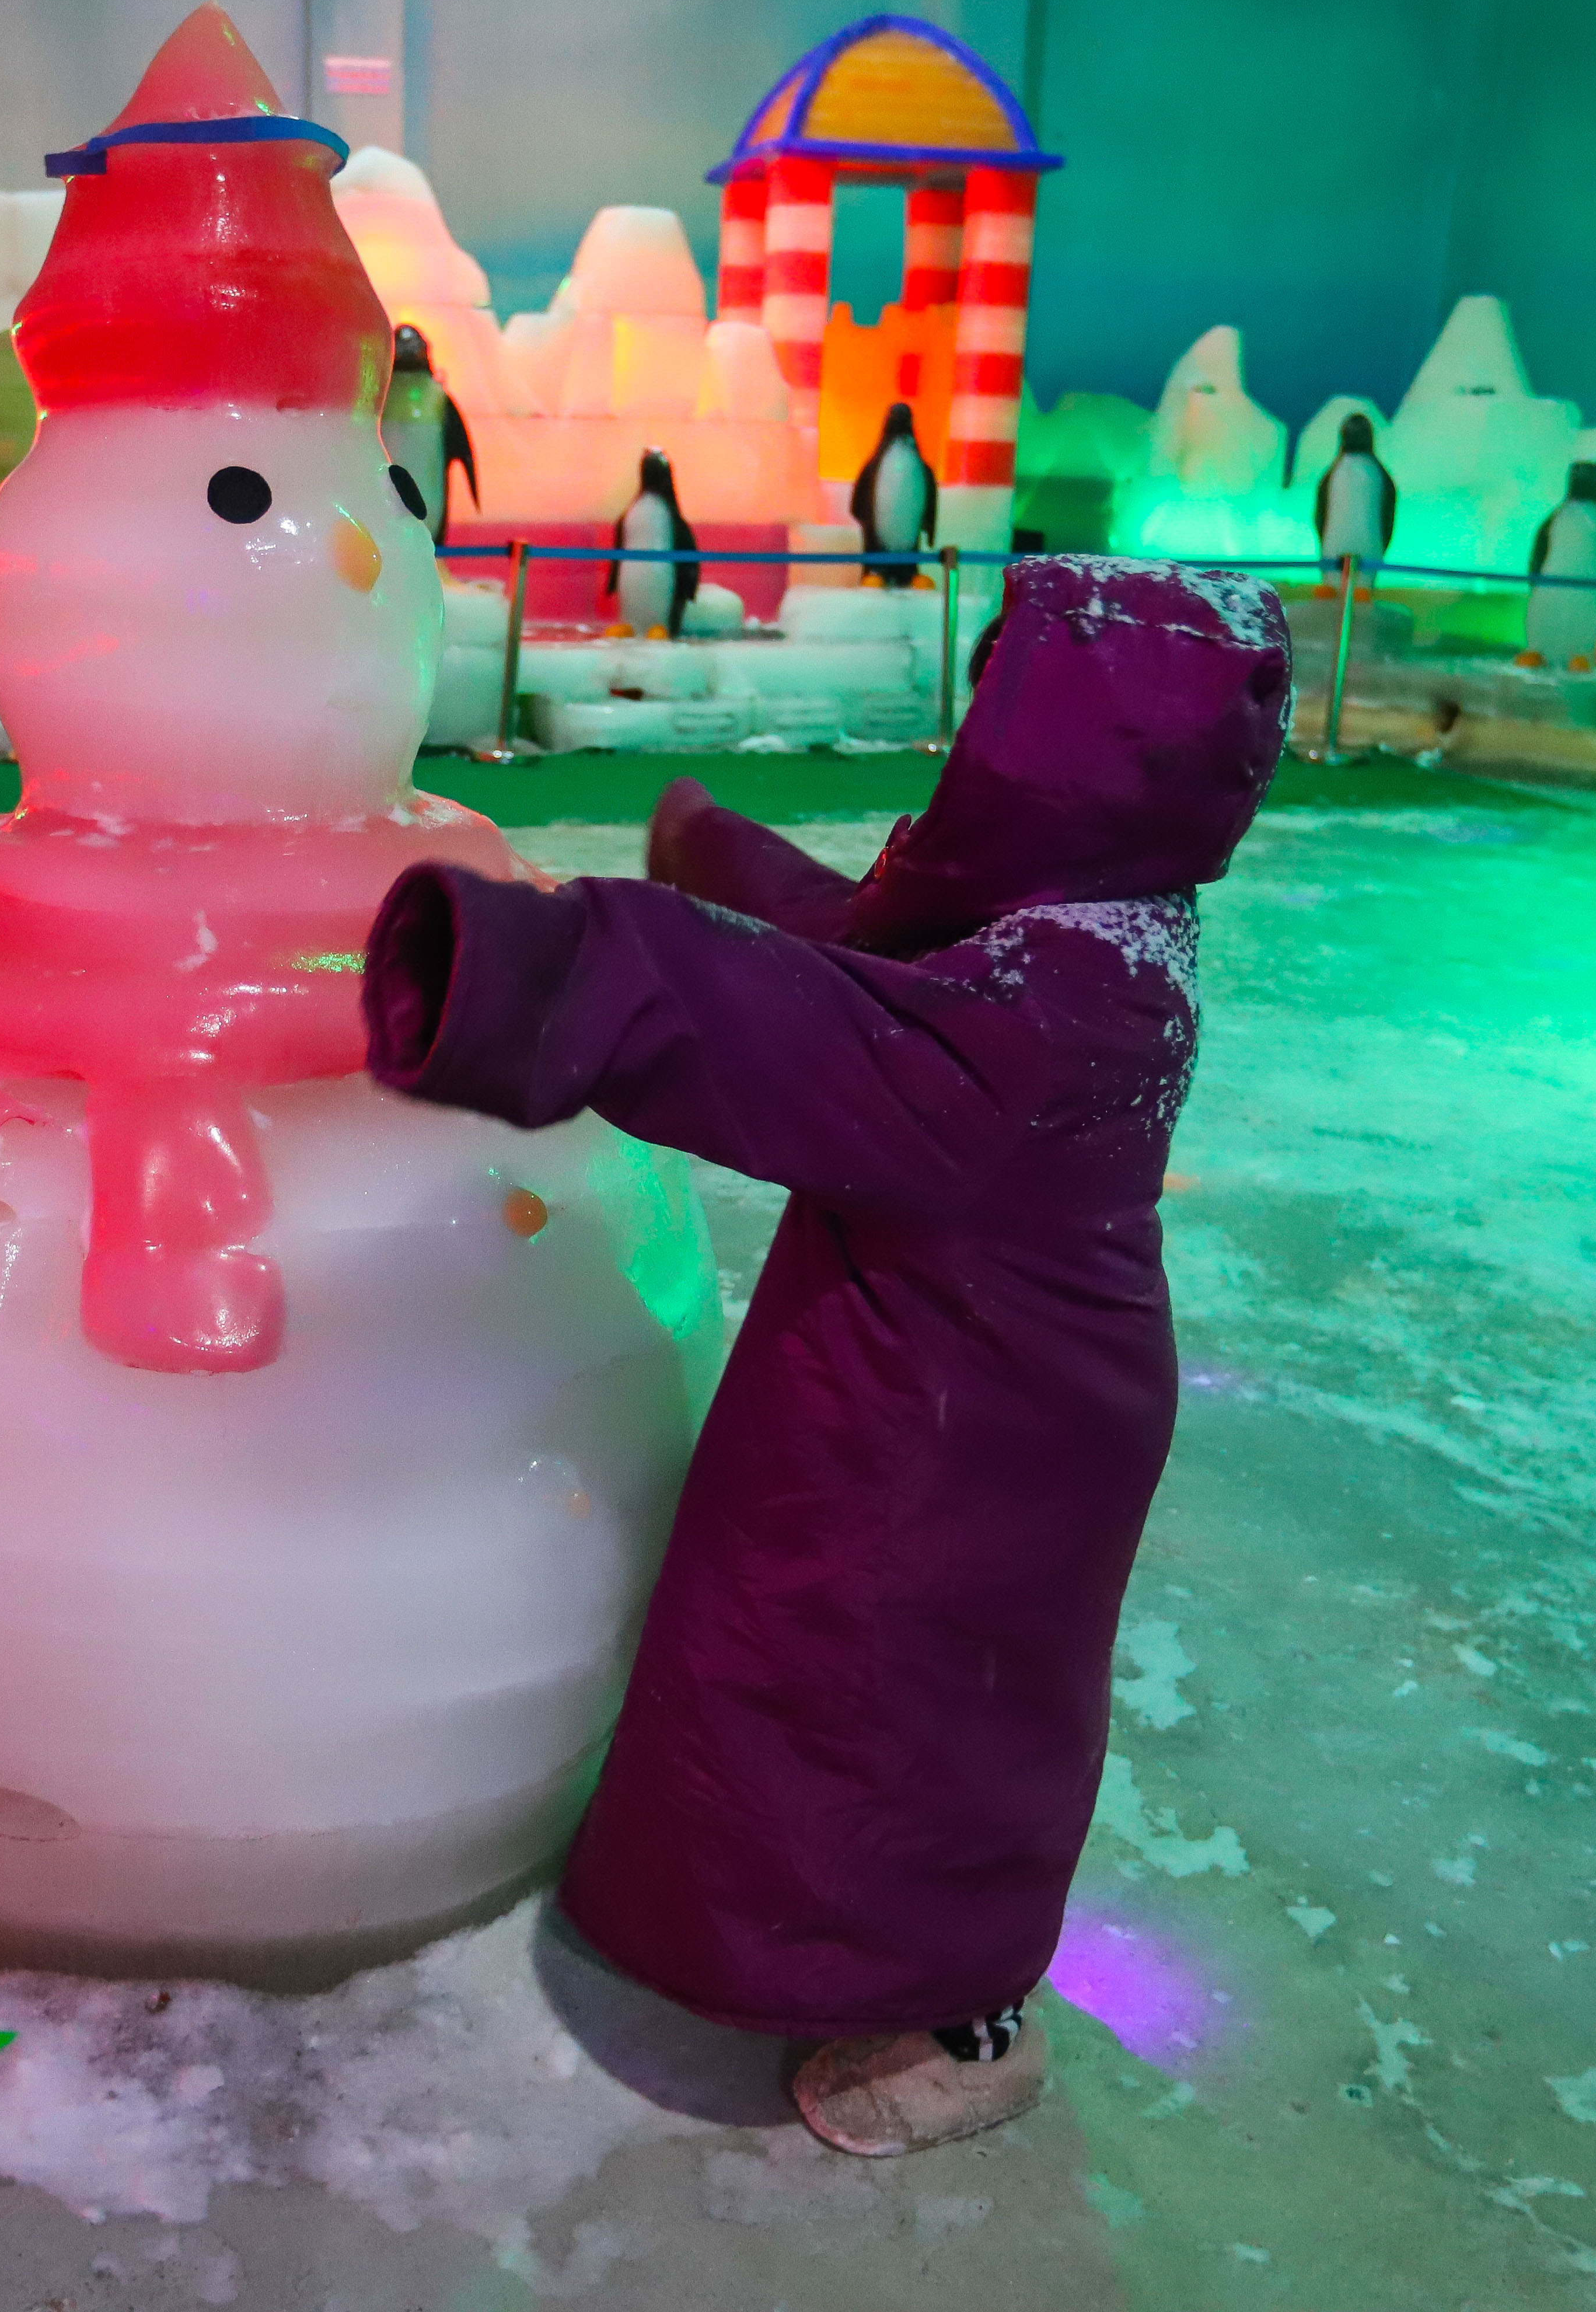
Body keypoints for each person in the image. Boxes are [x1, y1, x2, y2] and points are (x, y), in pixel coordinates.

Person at [361, 555, 1288, 2156]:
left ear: (1074, 749)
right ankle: (813, 1933)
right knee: (819, 1669)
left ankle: (972, 2013)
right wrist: (719, 855)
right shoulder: (1072, 918)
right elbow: (859, 951)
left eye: (1009, 702)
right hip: (923, 1361)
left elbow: (807, 1028)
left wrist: (541, 970)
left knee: (936, 1709)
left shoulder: (1067, 999)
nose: (974, 730)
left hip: (994, 1421)